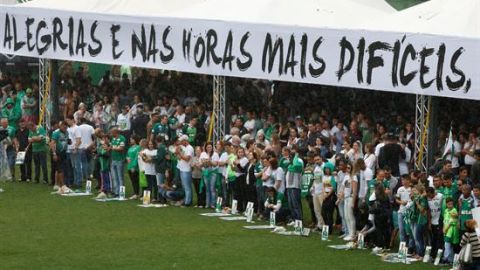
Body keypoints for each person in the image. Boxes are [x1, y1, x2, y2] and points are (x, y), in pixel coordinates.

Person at [339, 163, 358, 241]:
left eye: (349, 168)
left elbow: (354, 191)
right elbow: (343, 188)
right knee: (346, 216)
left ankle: (352, 234)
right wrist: (339, 199)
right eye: (347, 168)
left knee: (350, 216)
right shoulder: (346, 176)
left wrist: (353, 202)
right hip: (346, 198)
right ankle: (350, 233)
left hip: (350, 198)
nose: (347, 169)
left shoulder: (354, 177)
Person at [50, 121, 69, 190]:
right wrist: (54, 153)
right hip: (57, 152)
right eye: (64, 127)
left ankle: (56, 184)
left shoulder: (66, 132)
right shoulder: (56, 133)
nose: (65, 128)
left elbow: (66, 140)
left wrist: (69, 142)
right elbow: (52, 143)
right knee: (60, 169)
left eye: (66, 127)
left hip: (64, 152)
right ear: (60, 126)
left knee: (59, 169)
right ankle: (63, 185)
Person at [426, 187, 444, 260]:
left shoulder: (440, 196)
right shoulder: (427, 198)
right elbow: (428, 211)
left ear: (433, 192)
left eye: (429, 194)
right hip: (432, 221)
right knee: (433, 239)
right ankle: (433, 255)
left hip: (439, 221)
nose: (428, 196)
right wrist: (429, 222)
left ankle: (439, 256)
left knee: (439, 239)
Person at [176, 135, 194, 206]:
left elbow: (187, 159)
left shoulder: (190, 148)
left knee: (187, 186)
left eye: (181, 141)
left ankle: (187, 202)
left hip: (186, 169)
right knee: (185, 186)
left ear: (185, 140)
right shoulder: (183, 147)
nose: (180, 142)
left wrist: (180, 154)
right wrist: (178, 153)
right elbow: (179, 157)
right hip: (182, 168)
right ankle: (187, 200)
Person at [110, 127, 126, 196]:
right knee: (114, 176)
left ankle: (121, 192)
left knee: (120, 176)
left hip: (120, 160)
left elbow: (121, 148)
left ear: (115, 132)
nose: (111, 134)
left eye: (112, 132)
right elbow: (111, 146)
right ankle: (116, 192)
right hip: (113, 159)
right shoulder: (113, 139)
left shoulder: (122, 138)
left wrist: (113, 148)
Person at [443, 197, 459, 264]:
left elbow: (452, 221)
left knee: (447, 245)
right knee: (449, 246)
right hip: (445, 231)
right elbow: (445, 220)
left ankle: (445, 259)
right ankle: (451, 260)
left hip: (450, 231)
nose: (450, 205)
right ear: (446, 204)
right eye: (449, 204)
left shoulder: (454, 210)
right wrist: (443, 228)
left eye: (452, 204)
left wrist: (446, 228)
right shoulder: (446, 210)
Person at [96, 134, 112, 199]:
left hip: (106, 166)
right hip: (102, 166)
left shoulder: (109, 146)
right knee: (103, 178)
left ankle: (109, 191)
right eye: (102, 139)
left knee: (108, 179)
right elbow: (99, 153)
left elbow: (107, 155)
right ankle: (104, 190)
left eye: (104, 139)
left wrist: (101, 154)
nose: (103, 140)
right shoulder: (101, 147)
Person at [126, 135, 141, 199]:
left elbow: (136, 157)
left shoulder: (138, 147)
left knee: (135, 180)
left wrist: (134, 166)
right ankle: (134, 192)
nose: (130, 140)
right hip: (129, 166)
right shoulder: (130, 147)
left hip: (134, 167)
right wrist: (127, 158)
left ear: (135, 140)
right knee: (132, 180)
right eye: (130, 139)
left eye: (132, 139)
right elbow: (127, 155)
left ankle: (136, 193)